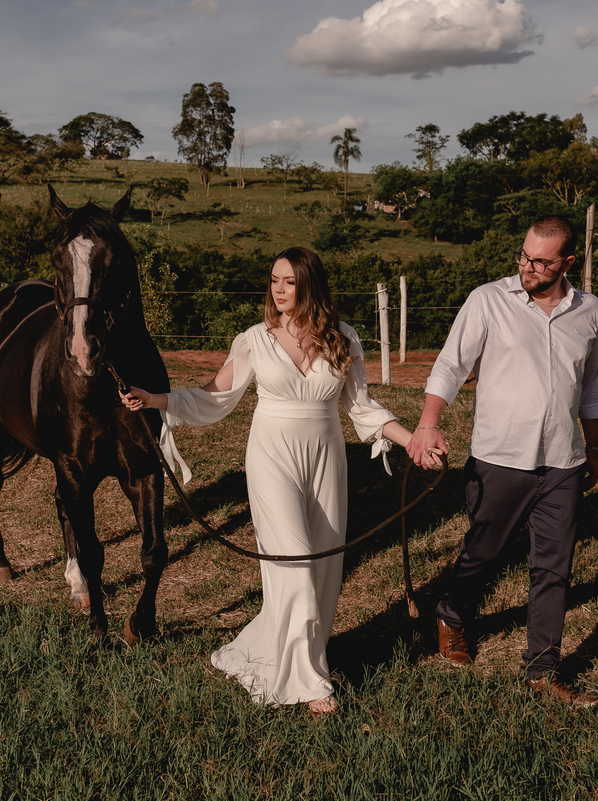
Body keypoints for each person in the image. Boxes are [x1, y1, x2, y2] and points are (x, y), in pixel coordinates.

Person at [121, 247, 435, 716]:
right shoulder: (254, 340)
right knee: (294, 563)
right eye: (274, 280)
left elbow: (362, 408)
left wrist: (412, 442)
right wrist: (154, 399)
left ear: (310, 284)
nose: (279, 290)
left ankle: (289, 651)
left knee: (324, 568)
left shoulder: (343, 338)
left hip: (326, 460)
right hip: (272, 458)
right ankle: (311, 683)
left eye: (289, 281)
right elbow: (215, 396)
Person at [406, 215, 598, 709]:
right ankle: (452, 615)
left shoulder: (589, 310)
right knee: (484, 553)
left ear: (567, 263)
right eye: (523, 256)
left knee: (554, 568)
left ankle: (542, 669)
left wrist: (594, 449)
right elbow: (451, 364)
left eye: (541, 261)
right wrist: (429, 422)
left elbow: (593, 387)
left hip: (563, 461)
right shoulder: (488, 300)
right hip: (499, 458)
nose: (528, 267)